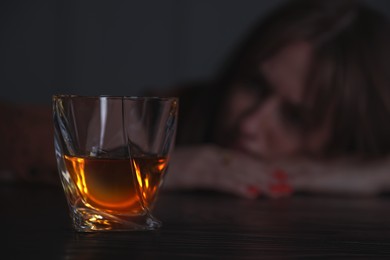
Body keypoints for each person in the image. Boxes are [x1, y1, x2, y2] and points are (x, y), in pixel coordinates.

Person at [2, 0, 390, 199]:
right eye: (254, 85)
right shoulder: (175, 112)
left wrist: (356, 173)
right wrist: (156, 169)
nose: (250, 123)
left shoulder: (361, 157)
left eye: (295, 117)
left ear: (348, 134)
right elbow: (11, 133)